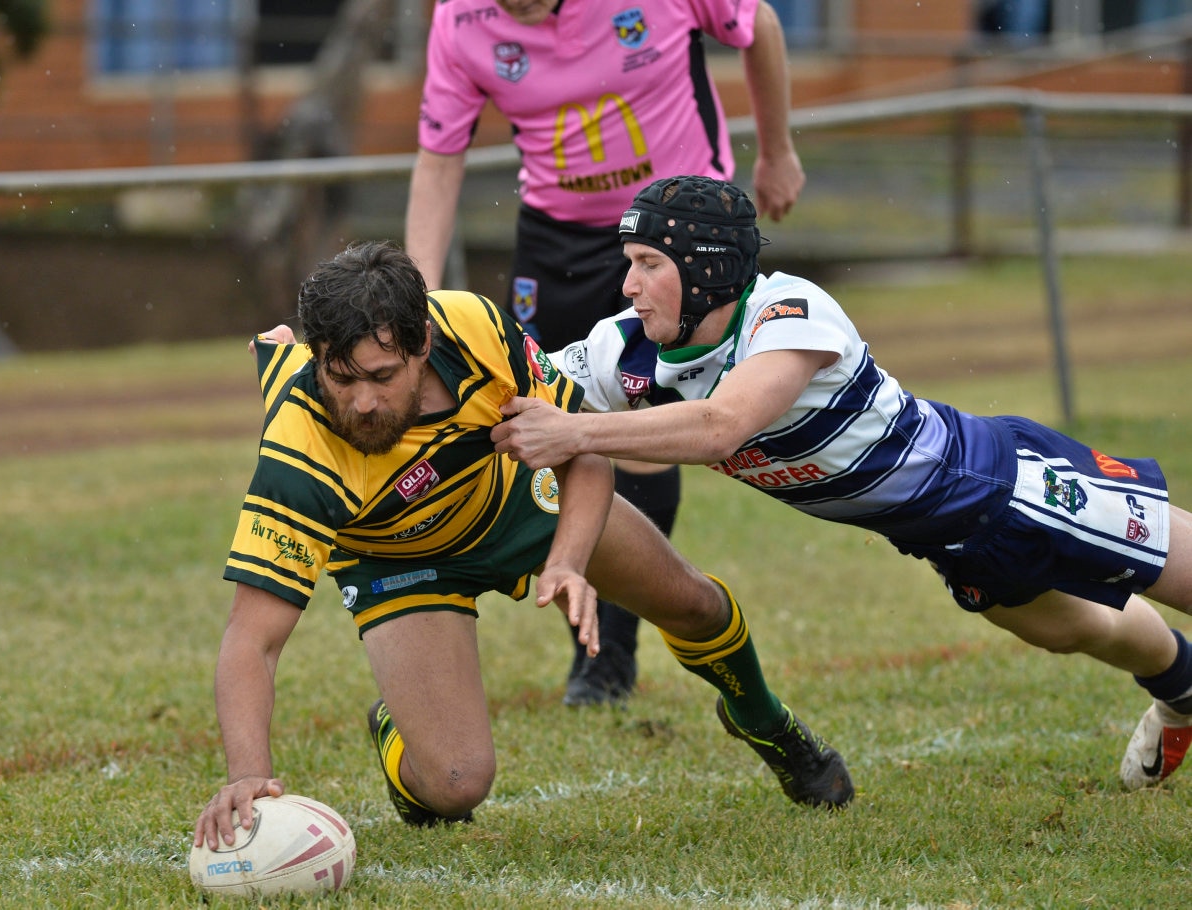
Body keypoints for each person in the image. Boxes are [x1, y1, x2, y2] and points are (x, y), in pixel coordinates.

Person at [490, 175, 1192, 790]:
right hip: (940, 539)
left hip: (1002, 482)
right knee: (1073, 630)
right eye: (628, 264)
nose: (627, 285)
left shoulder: (789, 311)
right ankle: (1182, 691)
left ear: (705, 268)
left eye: (646, 264)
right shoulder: (628, 347)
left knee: (1172, 571)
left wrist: (577, 430)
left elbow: (721, 426)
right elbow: (522, 387)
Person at [192, 240, 852, 849]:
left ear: (423, 343)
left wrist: (566, 560)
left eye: (381, 375)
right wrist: (248, 775)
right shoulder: (299, 454)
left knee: (695, 604)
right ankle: (399, 731)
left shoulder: (474, 329)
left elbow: (579, 448)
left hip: (509, 500)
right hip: (396, 560)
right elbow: (253, 637)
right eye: (340, 378)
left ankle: (769, 725)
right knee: (454, 785)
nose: (361, 403)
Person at [405, 0, 804, 706]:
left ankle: (612, 650)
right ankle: (594, 644)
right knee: (545, 417)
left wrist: (777, 150)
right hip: (556, 238)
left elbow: (761, 25)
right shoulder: (459, 20)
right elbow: (439, 163)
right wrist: (418, 304)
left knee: (644, 426)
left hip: (676, 228)